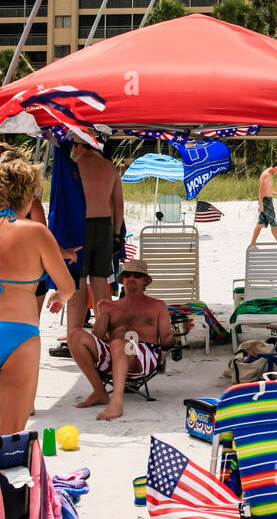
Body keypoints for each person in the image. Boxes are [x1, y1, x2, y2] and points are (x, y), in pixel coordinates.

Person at [0, 158, 76, 433]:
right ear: (28, 195)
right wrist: (59, 297)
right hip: (20, 332)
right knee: (10, 435)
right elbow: (68, 286)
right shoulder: (35, 232)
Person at [68, 258, 173, 421]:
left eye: (137, 275)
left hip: (144, 358)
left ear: (145, 280)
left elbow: (166, 339)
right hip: (113, 357)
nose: (131, 278)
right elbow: (97, 339)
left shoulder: (157, 305)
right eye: (128, 274)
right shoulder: (110, 306)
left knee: (119, 343)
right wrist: (102, 318)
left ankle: (117, 402)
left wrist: (179, 336)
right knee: (74, 334)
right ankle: (99, 391)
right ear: (122, 279)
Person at [66, 142, 124, 335]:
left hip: (80, 225)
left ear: (78, 146)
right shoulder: (109, 167)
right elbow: (118, 205)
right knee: (100, 282)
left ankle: (74, 332)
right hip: (104, 227)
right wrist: (116, 235)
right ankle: (103, 332)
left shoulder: (75, 165)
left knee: (79, 282)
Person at [250, 159, 277, 248]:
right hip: (265, 201)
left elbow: (268, 190)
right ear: (275, 167)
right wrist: (261, 204)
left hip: (267, 200)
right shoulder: (266, 175)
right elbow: (261, 190)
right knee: (273, 223)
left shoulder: (269, 174)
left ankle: (252, 245)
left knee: (260, 224)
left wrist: (276, 193)